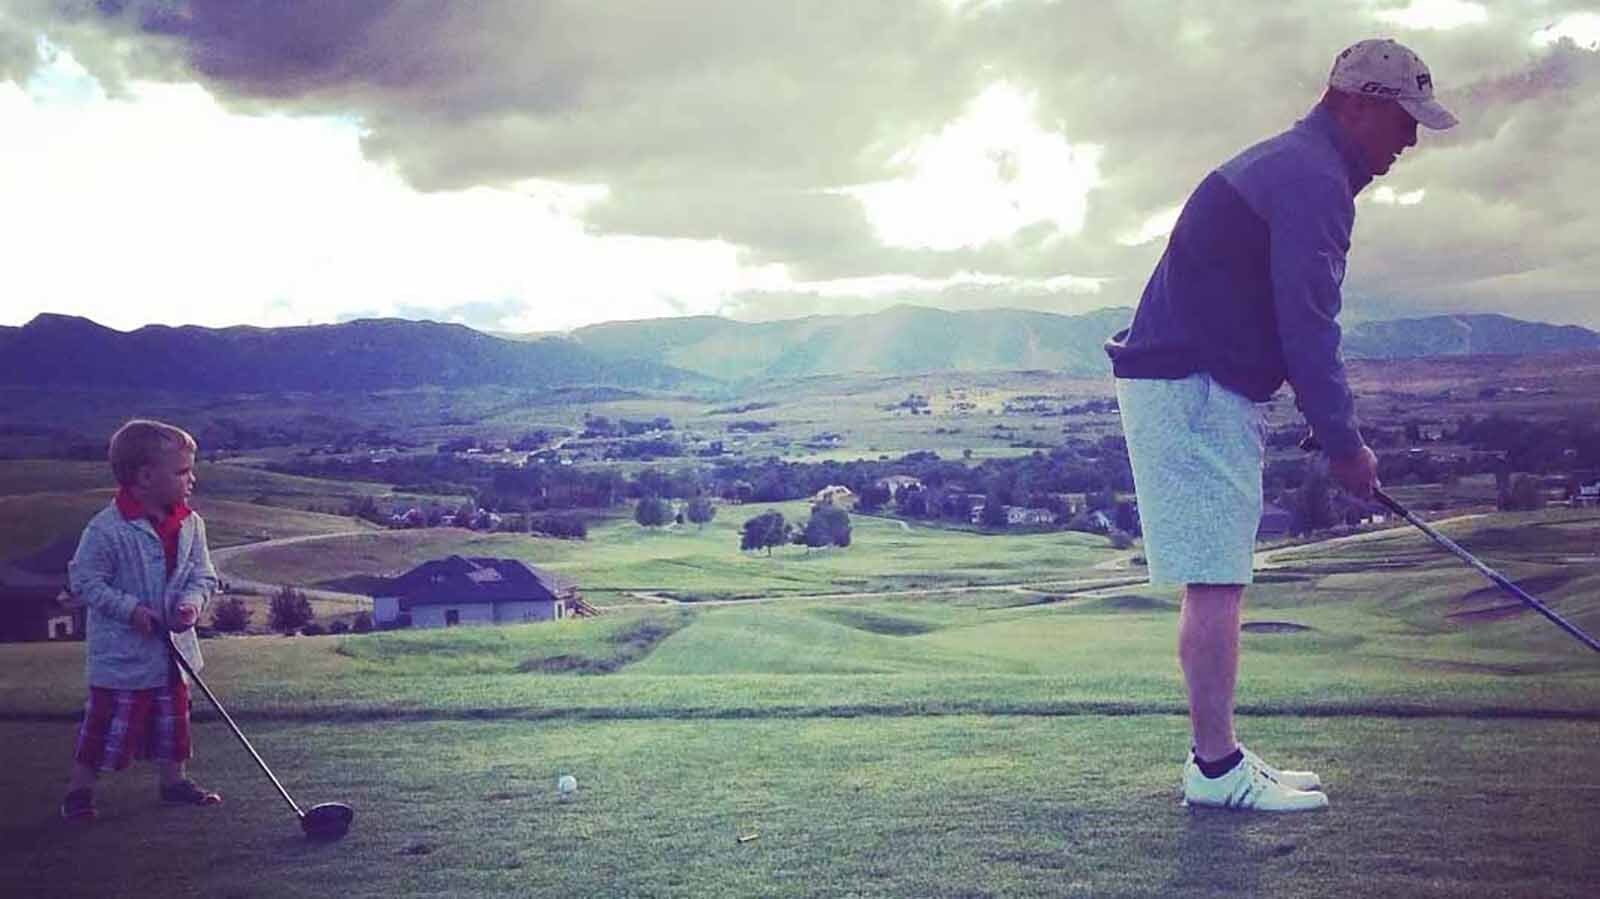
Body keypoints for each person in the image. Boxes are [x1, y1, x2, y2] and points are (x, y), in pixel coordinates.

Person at [1104, 38, 1457, 811]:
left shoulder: (1300, 166)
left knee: (1219, 573)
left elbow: (1279, 317)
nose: (1410, 141)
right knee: (1217, 577)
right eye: (1402, 120)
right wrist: (1345, 445)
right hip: (1191, 383)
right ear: (1354, 102)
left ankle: (1218, 757)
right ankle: (1217, 769)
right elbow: (1309, 325)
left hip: (1195, 377)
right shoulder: (1312, 179)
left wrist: (1320, 420)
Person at [60, 419, 222, 820]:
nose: (192, 479)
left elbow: (204, 575)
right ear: (146, 476)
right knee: (106, 726)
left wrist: (191, 605)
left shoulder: (191, 523)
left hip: (173, 652)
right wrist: (129, 610)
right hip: (123, 655)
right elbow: (84, 581)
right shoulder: (106, 530)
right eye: (182, 471)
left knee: (173, 721)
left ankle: (174, 782)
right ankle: (79, 792)